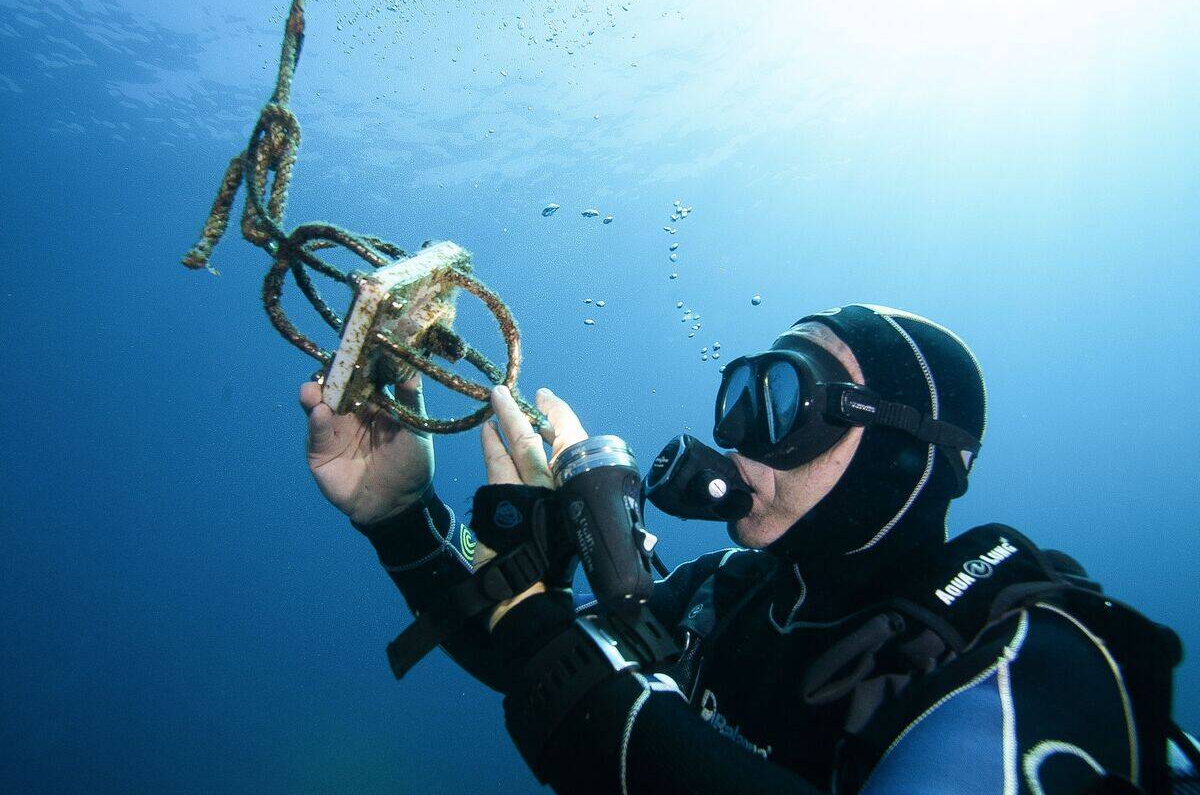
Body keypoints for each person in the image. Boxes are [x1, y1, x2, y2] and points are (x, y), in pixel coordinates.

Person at [299, 303, 1197, 794]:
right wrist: (401, 514)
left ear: (895, 454)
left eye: (782, 404)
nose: (739, 442)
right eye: (739, 400)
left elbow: (564, 672)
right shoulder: (727, 595)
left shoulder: (1029, 650)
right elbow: (532, 660)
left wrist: (558, 655)